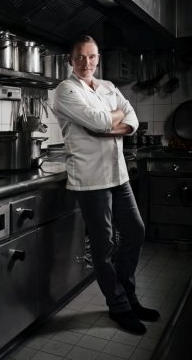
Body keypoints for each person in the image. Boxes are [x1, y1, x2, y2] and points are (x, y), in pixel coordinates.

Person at [53, 35, 159, 335]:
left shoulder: (108, 86)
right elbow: (99, 122)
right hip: (90, 179)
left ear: (98, 59)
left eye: (91, 56)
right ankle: (119, 306)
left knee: (135, 232)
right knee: (104, 246)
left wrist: (111, 125)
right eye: (79, 57)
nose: (86, 62)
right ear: (70, 60)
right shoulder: (65, 90)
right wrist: (111, 120)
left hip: (118, 174)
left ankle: (128, 296)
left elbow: (131, 119)